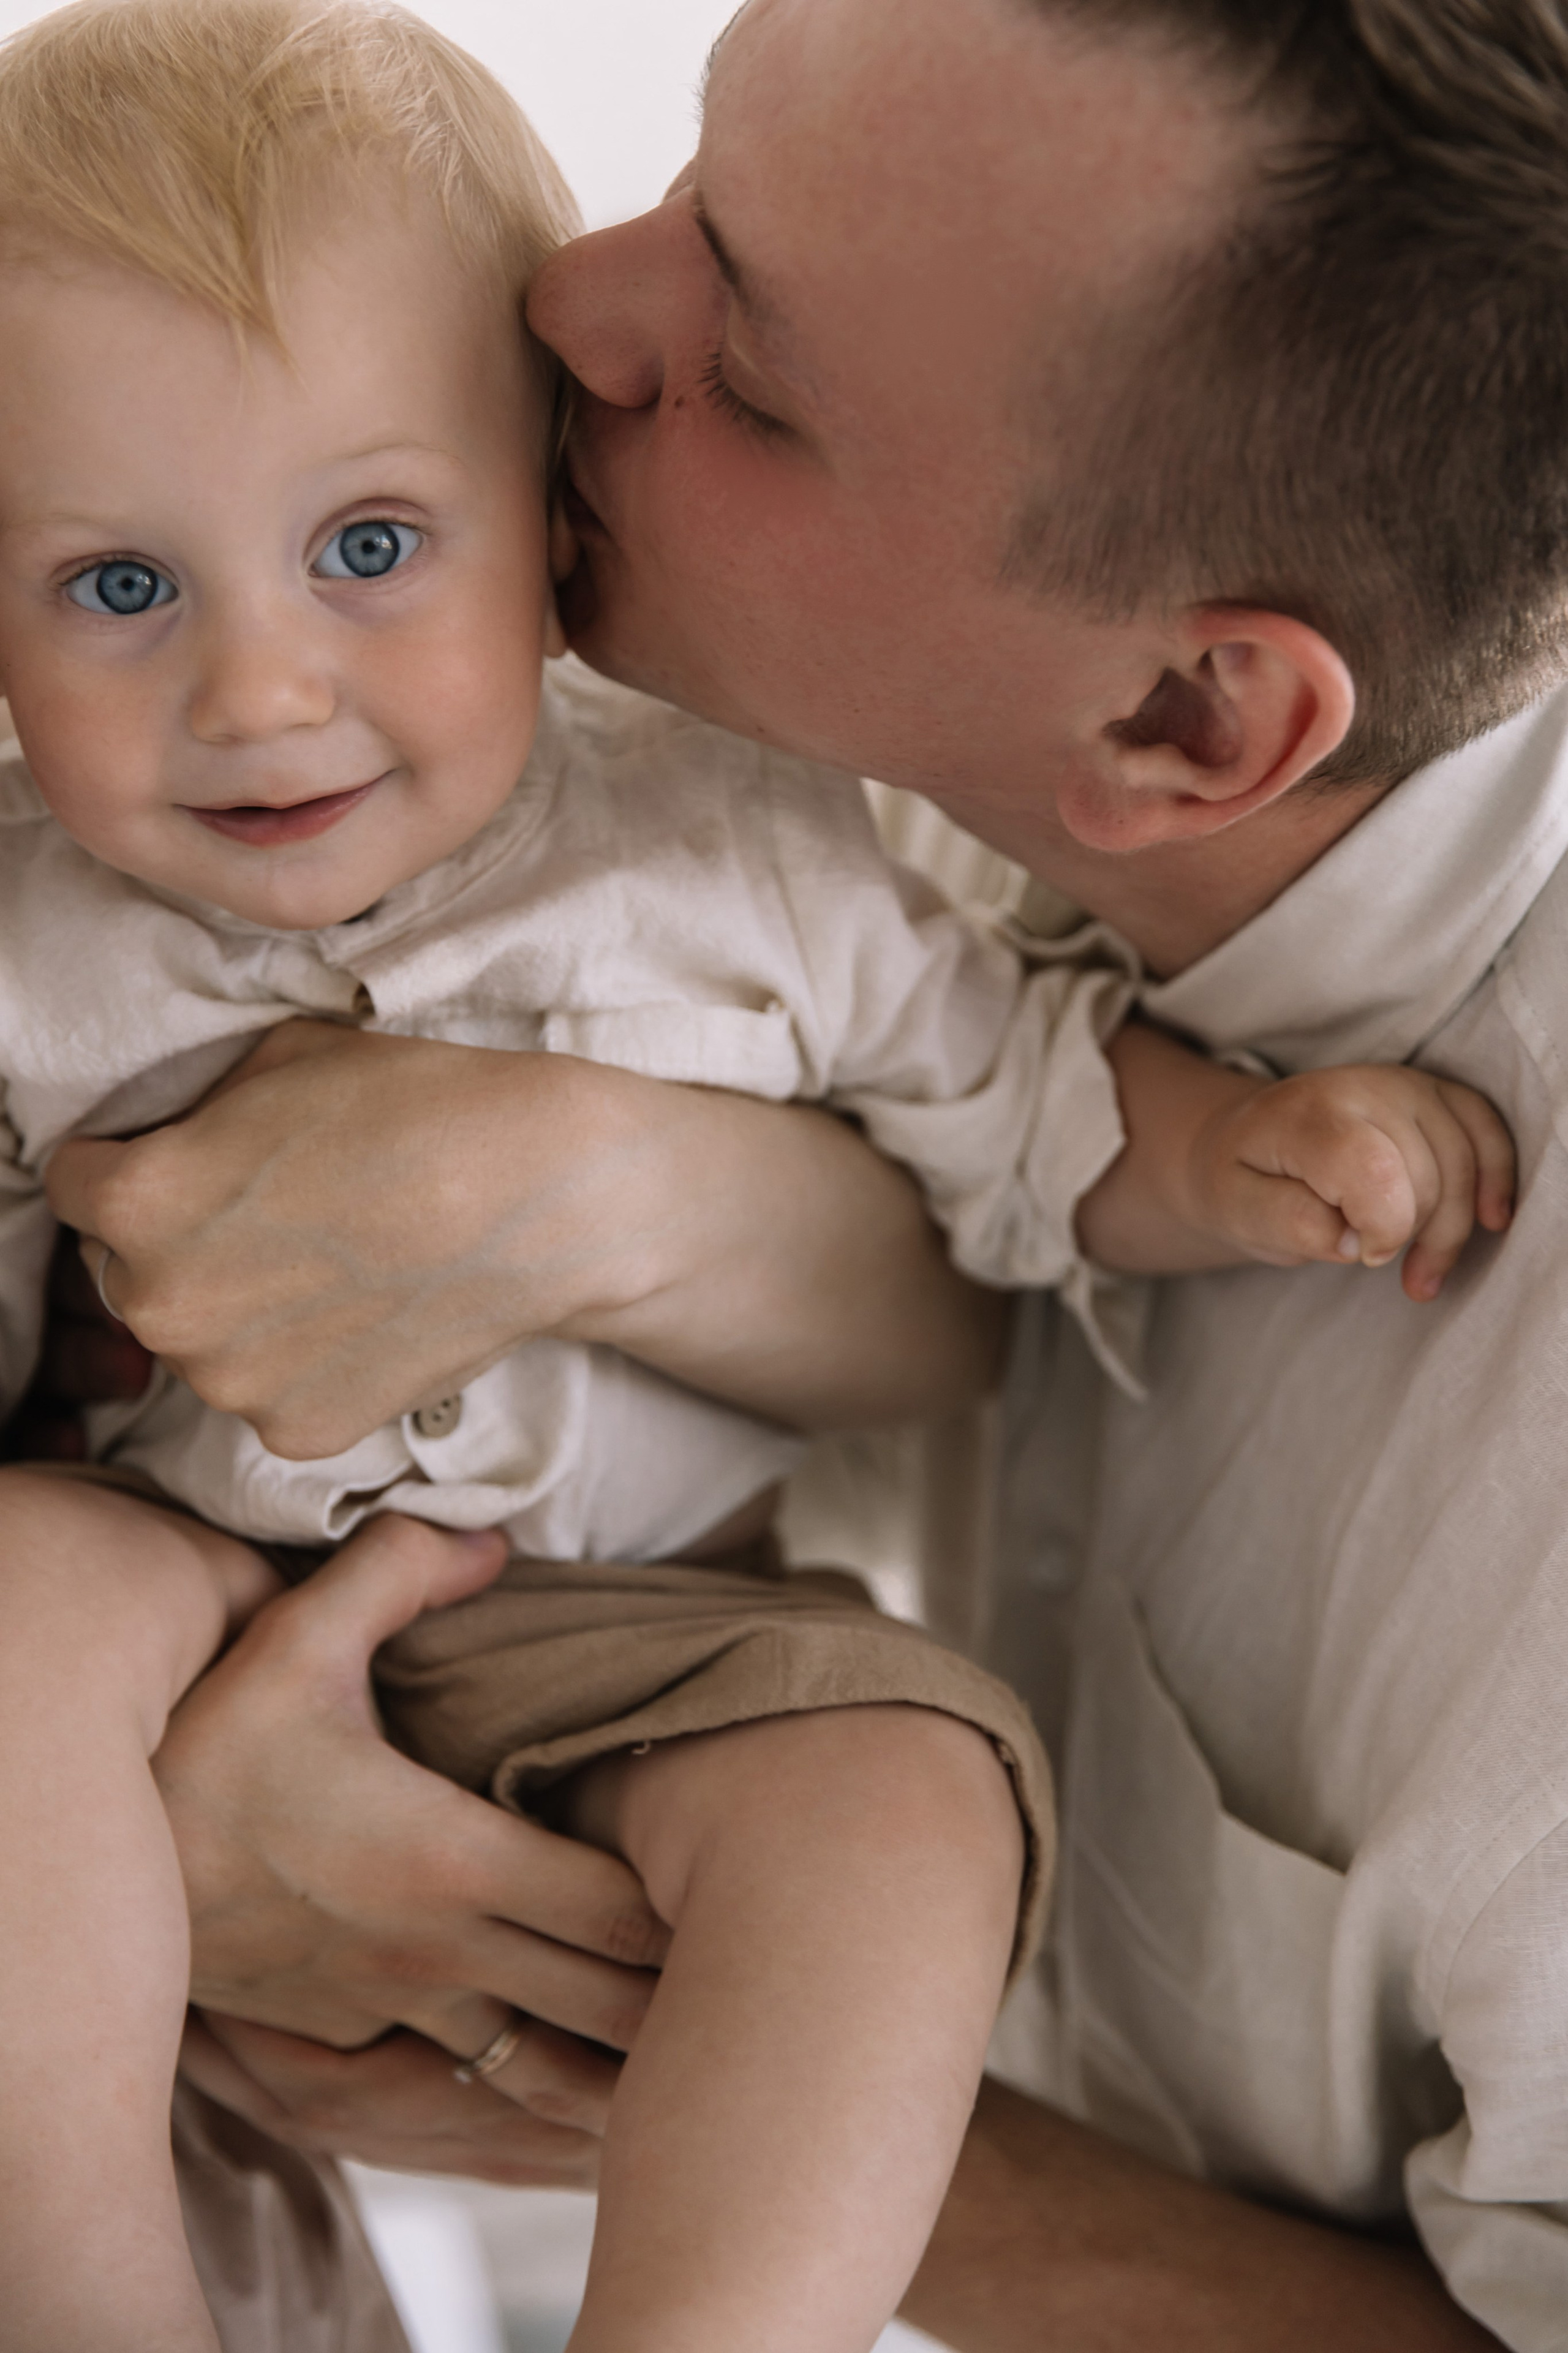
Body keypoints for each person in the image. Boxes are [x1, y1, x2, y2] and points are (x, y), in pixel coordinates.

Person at [36, 0, 1568, 2346]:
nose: (567, 303)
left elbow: (1015, 1121)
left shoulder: (1524, 1499)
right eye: (690, 164)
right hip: (149, 1618)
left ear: (1182, 725)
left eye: (751, 373)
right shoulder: (743, 708)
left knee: (890, 1795)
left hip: (645, 1780)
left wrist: (574, 2034)